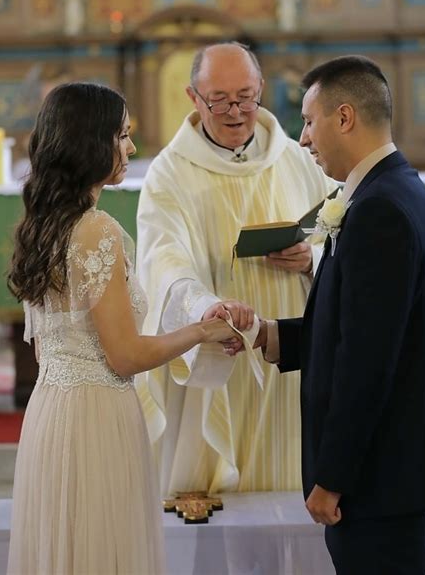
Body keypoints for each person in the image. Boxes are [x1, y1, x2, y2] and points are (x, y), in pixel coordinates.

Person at [6, 82, 237, 574]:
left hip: (50, 412)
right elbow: (125, 356)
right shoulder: (97, 230)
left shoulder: (41, 225)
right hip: (96, 416)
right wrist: (201, 332)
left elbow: (55, 349)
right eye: (123, 135)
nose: (131, 147)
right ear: (92, 141)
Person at [245, 55, 425, 574]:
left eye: (309, 120)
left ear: (344, 118)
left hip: (376, 474)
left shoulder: (379, 209)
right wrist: (274, 336)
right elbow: (365, 328)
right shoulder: (394, 190)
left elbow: (368, 362)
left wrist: (332, 477)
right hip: (389, 469)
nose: (303, 138)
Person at [136, 42, 337, 495]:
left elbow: (338, 238)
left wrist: (313, 259)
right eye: (220, 100)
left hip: (293, 356)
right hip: (217, 355)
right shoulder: (170, 174)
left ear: (261, 89)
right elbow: (163, 259)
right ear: (193, 97)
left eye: (245, 97)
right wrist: (207, 308)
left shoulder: (298, 159)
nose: (235, 111)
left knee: (293, 485)